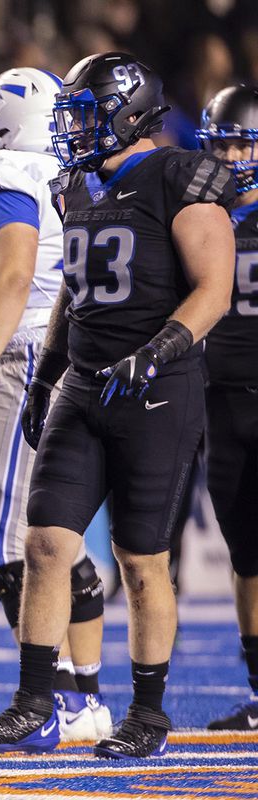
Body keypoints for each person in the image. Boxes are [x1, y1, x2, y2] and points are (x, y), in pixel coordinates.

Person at [0, 52, 236, 759]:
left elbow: (213, 287)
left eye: (85, 113)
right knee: (46, 543)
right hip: (84, 384)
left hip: (155, 389)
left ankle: (146, 713)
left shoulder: (178, 176)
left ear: (129, 111)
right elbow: (72, 295)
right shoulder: (73, 185)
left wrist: (158, 352)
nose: (74, 129)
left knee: (142, 560)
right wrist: (48, 371)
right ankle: (33, 704)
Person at [0, 67, 111, 743]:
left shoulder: (5, 172)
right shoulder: (79, 176)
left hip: (30, 355)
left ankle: (54, 703)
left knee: (8, 542)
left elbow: (13, 276)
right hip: (79, 350)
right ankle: (80, 696)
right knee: (52, 532)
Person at [195, 84, 258, 731]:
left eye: (244, 142)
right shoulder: (196, 216)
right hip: (220, 404)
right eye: (223, 144)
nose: (234, 156)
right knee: (247, 556)